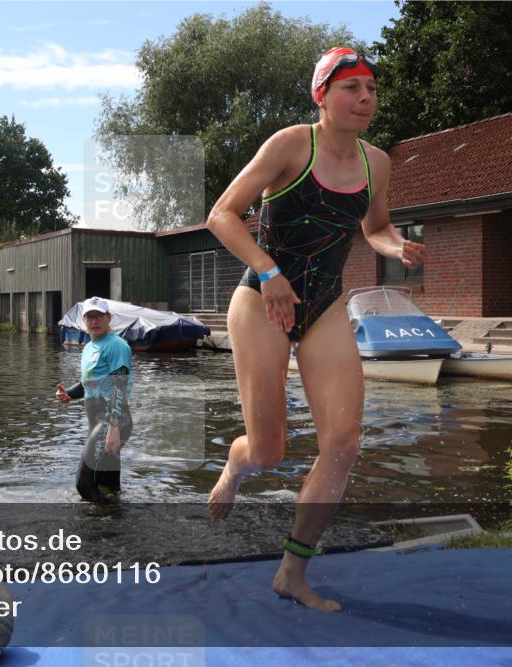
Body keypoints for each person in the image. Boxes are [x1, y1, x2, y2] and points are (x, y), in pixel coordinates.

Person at [205, 47, 426, 611]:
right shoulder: (290, 145)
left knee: (345, 444)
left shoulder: (378, 162)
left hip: (324, 304)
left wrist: (395, 245)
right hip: (262, 300)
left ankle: (292, 572)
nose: (366, 99)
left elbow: (374, 226)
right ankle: (237, 462)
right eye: (353, 88)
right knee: (270, 451)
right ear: (322, 95)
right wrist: (270, 272)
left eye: (372, 89)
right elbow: (222, 215)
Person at [55, 297, 134, 503]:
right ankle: (113, 523)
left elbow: (120, 386)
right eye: (89, 317)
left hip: (112, 419)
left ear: (109, 318)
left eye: (99, 316)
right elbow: (88, 384)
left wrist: (113, 428)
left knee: (84, 485)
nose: (94, 321)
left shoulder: (117, 346)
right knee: (107, 484)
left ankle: (104, 521)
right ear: (84, 321)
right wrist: (69, 394)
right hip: (98, 421)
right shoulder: (90, 346)